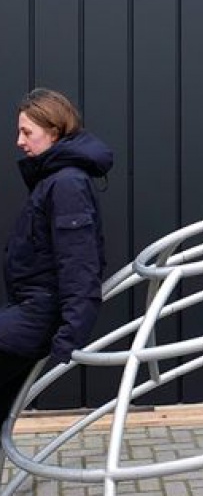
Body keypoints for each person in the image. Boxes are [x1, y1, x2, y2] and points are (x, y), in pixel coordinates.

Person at [0, 88, 113, 428]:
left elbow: (80, 263)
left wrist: (69, 336)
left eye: (27, 132)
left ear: (53, 131)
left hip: (37, 318)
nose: (19, 141)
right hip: (28, 313)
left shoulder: (66, 184)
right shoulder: (54, 180)